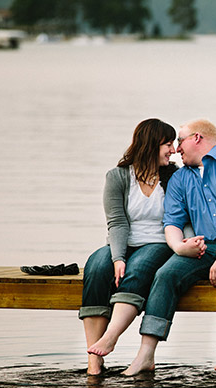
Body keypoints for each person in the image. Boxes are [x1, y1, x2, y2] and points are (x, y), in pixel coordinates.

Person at [120, 119, 216, 375]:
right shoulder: (180, 178)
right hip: (205, 248)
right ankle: (145, 355)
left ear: (197, 138)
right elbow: (172, 222)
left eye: (180, 140)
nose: (176, 148)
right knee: (166, 274)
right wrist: (180, 247)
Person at [79, 119, 181, 375]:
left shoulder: (174, 176)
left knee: (139, 268)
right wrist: (117, 257)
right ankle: (94, 359)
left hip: (160, 242)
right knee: (97, 266)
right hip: (123, 240)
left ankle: (111, 337)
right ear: (150, 145)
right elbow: (117, 222)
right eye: (167, 144)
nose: (173, 149)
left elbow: (181, 217)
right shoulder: (118, 176)